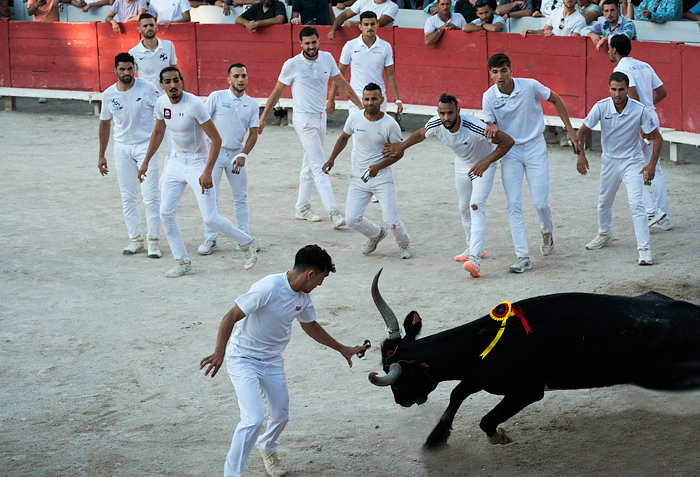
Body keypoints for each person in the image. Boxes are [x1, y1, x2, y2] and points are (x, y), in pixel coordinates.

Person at [199, 244, 368, 477]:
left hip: (272, 361)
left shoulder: (303, 296)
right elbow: (231, 315)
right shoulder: (268, 287)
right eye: (322, 278)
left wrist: (343, 349)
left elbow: (310, 325)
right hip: (243, 359)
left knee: (281, 415)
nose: (320, 284)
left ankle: (267, 447)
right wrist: (220, 352)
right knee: (253, 420)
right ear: (310, 274)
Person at [138, 67, 258, 277]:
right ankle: (183, 262)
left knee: (210, 218)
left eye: (176, 80)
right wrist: (146, 161)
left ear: (182, 82)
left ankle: (247, 242)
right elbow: (158, 132)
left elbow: (216, 139)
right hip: (175, 161)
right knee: (165, 215)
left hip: (197, 162)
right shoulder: (161, 103)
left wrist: (207, 170)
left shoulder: (194, 104)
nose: (173, 85)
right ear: (162, 85)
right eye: (168, 82)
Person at [383, 93, 514, 276]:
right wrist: (402, 146)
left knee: (475, 206)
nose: (446, 118)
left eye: (450, 113)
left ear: (458, 111)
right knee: (463, 208)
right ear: (438, 112)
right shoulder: (436, 123)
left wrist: (486, 162)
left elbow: (508, 141)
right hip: (462, 164)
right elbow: (421, 133)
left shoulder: (474, 126)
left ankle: (474, 260)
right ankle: (471, 247)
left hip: (484, 166)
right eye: (442, 113)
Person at [482, 53, 577, 273]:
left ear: (511, 70)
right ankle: (522, 256)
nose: (499, 76)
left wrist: (570, 130)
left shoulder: (530, 86)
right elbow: (490, 122)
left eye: (503, 70)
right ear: (490, 74)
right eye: (494, 72)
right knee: (513, 203)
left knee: (540, 203)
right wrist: (491, 126)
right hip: (510, 151)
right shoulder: (488, 96)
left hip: (535, 147)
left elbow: (556, 99)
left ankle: (547, 233)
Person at [259, 26, 362, 227]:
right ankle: (333, 212)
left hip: (320, 117)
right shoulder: (292, 64)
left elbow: (343, 85)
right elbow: (277, 92)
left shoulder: (327, 58)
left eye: (314, 42)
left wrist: (361, 107)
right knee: (319, 165)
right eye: (307, 43)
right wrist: (263, 116)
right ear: (301, 44)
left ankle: (302, 208)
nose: (311, 46)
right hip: (303, 119)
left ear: (318, 41)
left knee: (309, 164)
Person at [575, 72, 662, 265]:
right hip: (610, 161)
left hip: (632, 161)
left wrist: (652, 164)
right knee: (604, 201)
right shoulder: (601, 106)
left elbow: (657, 137)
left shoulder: (639, 110)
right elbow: (581, 131)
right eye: (613, 89)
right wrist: (580, 154)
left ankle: (644, 249)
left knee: (636, 204)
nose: (617, 93)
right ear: (609, 89)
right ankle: (604, 234)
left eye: (621, 89)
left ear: (628, 89)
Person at [323, 83, 412, 259]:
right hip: (358, 177)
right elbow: (343, 137)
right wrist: (332, 159)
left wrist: (378, 167)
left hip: (382, 178)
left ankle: (404, 243)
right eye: (366, 99)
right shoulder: (355, 119)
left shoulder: (390, 125)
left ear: (381, 100)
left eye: (373, 99)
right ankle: (375, 234)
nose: (370, 102)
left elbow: (399, 152)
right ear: (362, 100)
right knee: (351, 219)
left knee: (392, 222)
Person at [98, 53, 162, 258]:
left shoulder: (148, 88)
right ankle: (136, 239)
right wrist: (101, 154)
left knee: (150, 197)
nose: (127, 73)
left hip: (145, 146)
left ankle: (153, 241)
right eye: (122, 69)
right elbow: (105, 123)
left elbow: (163, 111)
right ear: (115, 69)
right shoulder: (109, 94)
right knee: (128, 197)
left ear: (134, 67)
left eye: (129, 68)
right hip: (122, 147)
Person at [610, 34, 671, 230]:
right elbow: (662, 92)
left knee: (630, 164)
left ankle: (652, 211)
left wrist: (638, 119)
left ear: (614, 50)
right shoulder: (644, 65)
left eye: (610, 49)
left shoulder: (621, 68)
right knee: (656, 166)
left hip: (637, 119)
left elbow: (633, 94)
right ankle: (663, 217)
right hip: (652, 117)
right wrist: (648, 109)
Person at [199, 64, 260, 256]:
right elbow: (202, 123)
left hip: (236, 154)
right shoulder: (217, 97)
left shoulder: (252, 104)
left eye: (243, 76)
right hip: (214, 153)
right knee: (210, 197)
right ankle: (210, 238)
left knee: (240, 197)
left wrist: (243, 154)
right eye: (236, 76)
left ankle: (244, 238)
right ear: (229, 79)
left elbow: (254, 132)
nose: (240, 80)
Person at [326, 11, 403, 118]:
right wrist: (331, 99)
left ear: (377, 25)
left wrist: (397, 99)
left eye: (372, 24)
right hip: (356, 97)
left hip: (378, 97)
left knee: (377, 132)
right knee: (357, 132)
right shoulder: (350, 46)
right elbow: (339, 74)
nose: (369, 27)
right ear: (360, 27)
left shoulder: (385, 46)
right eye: (366, 24)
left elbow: (390, 75)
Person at [129, 13, 179, 95]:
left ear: (156, 27)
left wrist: (182, 92)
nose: (149, 28)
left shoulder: (168, 45)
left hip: (167, 96)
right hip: (147, 97)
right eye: (145, 26)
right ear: (139, 29)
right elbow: (130, 77)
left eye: (151, 25)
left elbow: (175, 69)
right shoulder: (133, 52)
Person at [328, 0, 400, 40]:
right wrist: (333, 30)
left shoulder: (392, 6)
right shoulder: (364, 1)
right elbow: (344, 15)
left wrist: (355, 24)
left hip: (380, 39)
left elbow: (380, 22)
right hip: (361, 39)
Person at [520, 0, 587, 36]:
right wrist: (532, 32)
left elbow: (573, 42)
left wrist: (553, 36)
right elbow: (544, 31)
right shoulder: (555, 12)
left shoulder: (580, 19)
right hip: (551, 49)